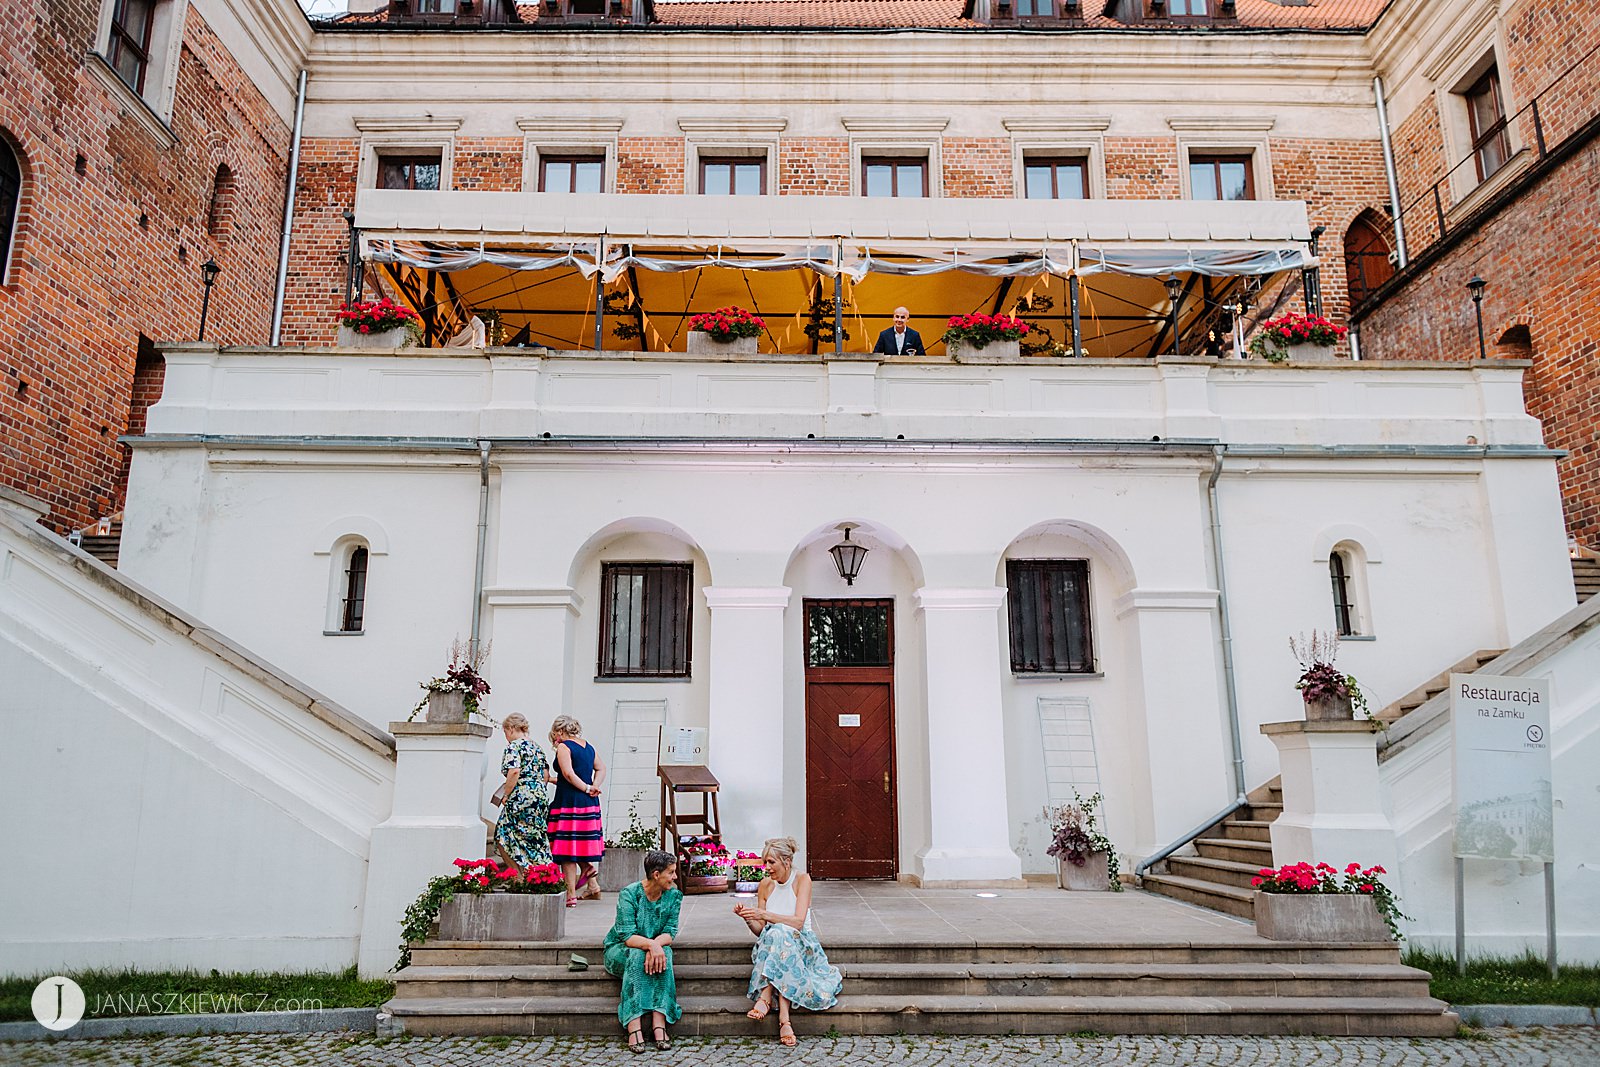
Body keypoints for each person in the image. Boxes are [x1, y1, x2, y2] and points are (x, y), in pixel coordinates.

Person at [733, 835, 841, 1047]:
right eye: (765, 862)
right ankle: (784, 1019)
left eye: (771, 862)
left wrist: (766, 916)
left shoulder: (802, 880)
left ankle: (765, 997)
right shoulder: (765, 885)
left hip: (802, 944)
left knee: (781, 933)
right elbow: (761, 931)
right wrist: (748, 919)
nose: (767, 868)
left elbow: (798, 922)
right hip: (772, 945)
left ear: (787, 861)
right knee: (776, 934)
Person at [604, 849, 682, 1053]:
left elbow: (670, 931)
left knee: (666, 953)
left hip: (654, 947)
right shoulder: (629, 894)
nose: (675, 877)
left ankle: (659, 1022)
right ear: (656, 874)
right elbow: (627, 936)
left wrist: (656, 945)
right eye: (671, 872)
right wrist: (652, 946)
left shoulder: (674, 895)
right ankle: (634, 1026)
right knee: (638, 954)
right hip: (621, 949)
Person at [548, 714, 607, 906]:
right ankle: (593, 885)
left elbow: (568, 773)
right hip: (588, 802)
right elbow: (601, 768)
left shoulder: (565, 747)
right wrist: (593, 786)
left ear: (560, 731)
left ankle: (571, 894)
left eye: (555, 733)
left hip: (570, 802)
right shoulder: (588, 746)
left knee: (567, 848)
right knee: (579, 843)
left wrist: (588, 787)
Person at [489, 713, 557, 867]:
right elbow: (545, 774)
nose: (506, 736)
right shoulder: (537, 747)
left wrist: (506, 794)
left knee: (503, 834)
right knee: (534, 837)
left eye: (505, 732)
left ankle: (519, 877)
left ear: (512, 728)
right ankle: (543, 875)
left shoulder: (514, 746)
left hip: (521, 796)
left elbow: (514, 771)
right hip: (540, 796)